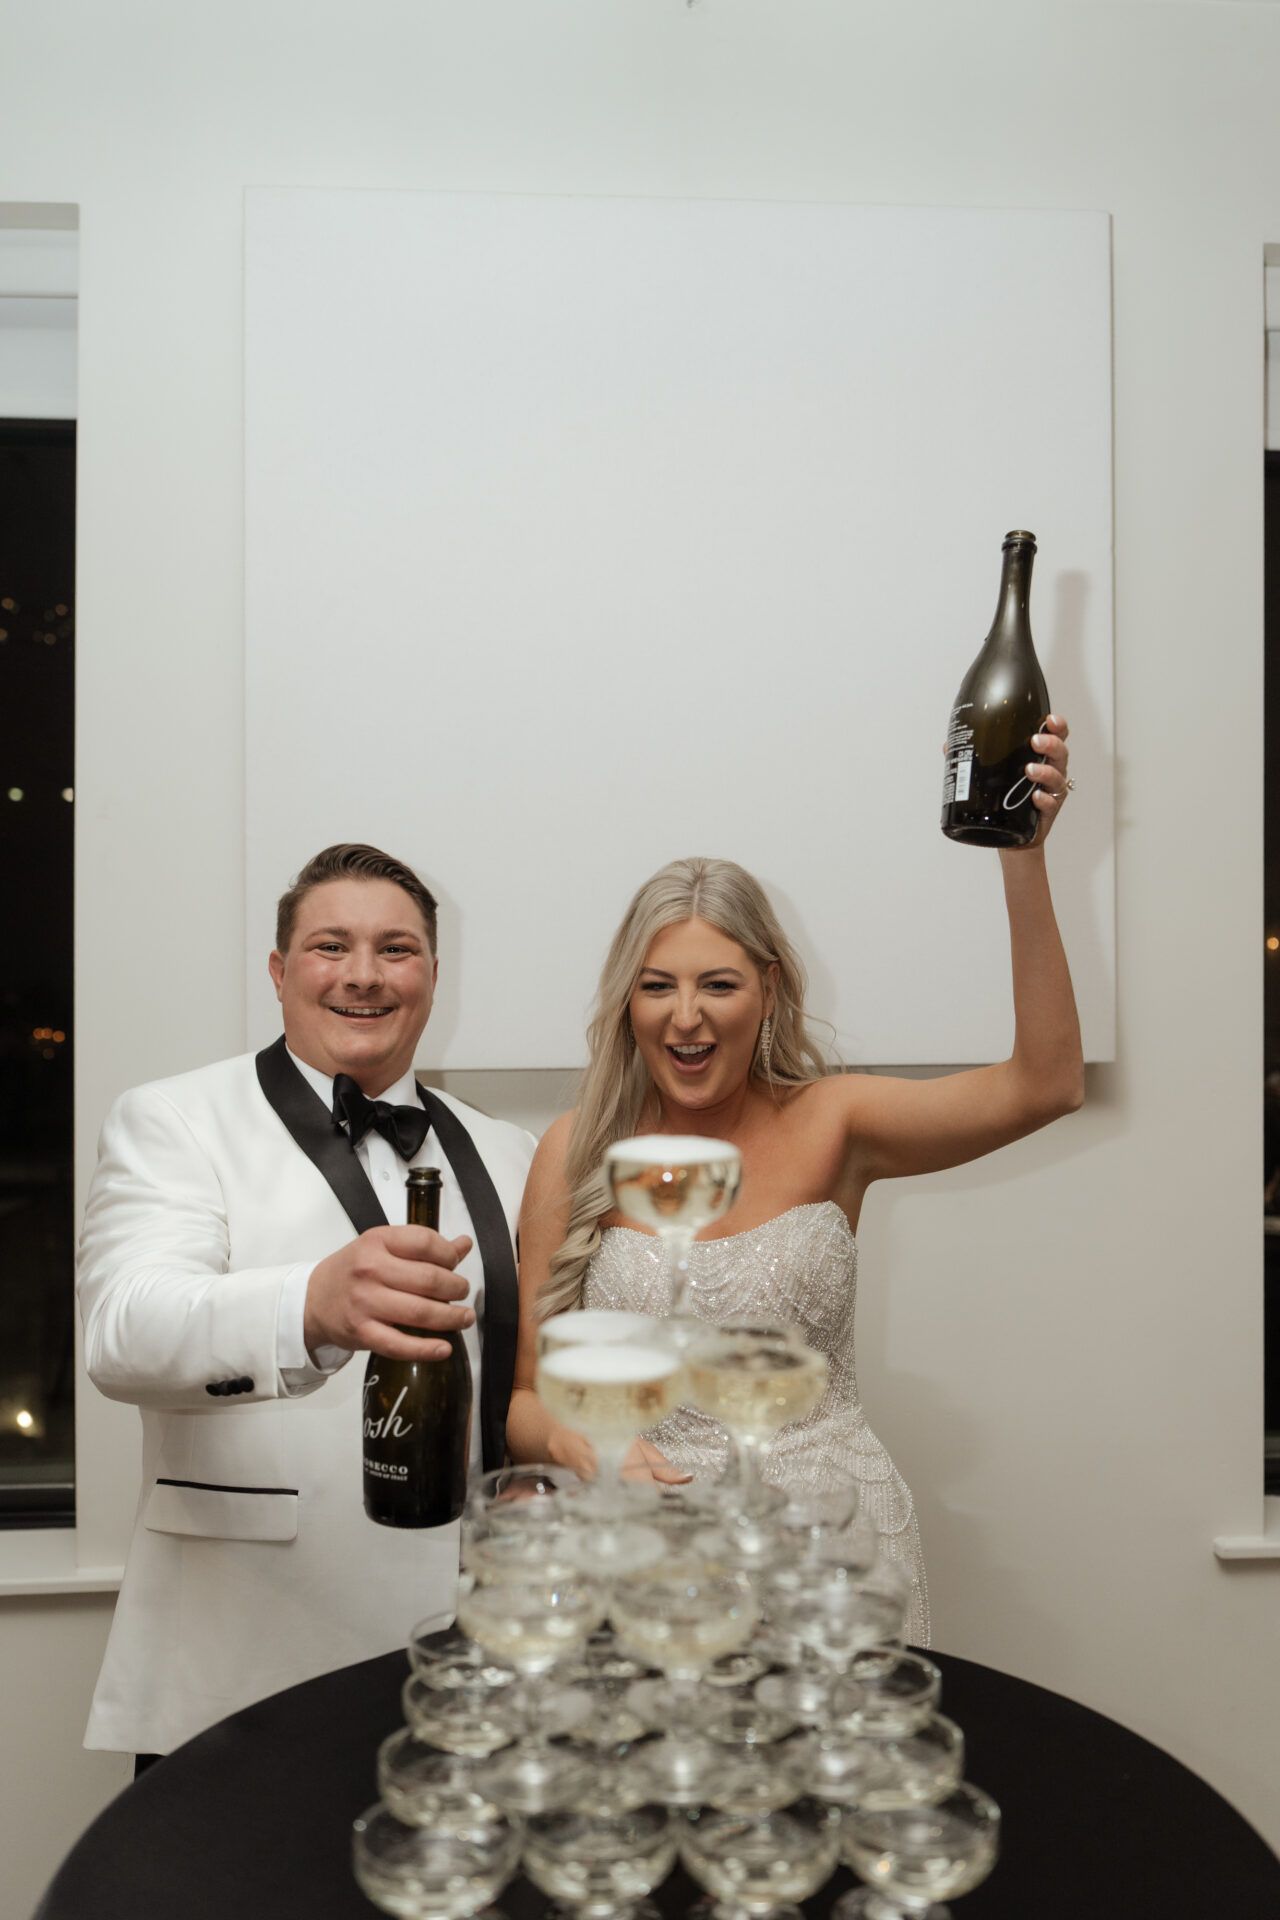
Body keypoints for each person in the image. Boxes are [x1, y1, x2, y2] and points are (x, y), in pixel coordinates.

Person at [508, 721, 1084, 1646]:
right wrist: (586, 1447)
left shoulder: (836, 1123)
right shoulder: (575, 1151)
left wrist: (1024, 856)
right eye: (658, 986)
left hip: (833, 1553)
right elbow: (528, 1400)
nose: (687, 1017)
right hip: (647, 1559)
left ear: (769, 990)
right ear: (628, 1001)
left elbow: (1046, 1084)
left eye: (719, 986)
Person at [77, 843, 535, 1760]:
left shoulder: (514, 1151)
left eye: (396, 950)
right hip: (241, 1669)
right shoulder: (173, 1118)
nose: (364, 975)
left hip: (476, 1670)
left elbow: (530, 1373)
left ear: (434, 977)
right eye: (332, 947)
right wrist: (310, 1305)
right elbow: (122, 1331)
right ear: (281, 972)